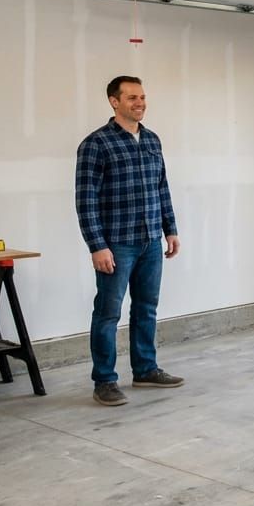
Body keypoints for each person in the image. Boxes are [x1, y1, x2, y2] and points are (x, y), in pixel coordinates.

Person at [75, 76, 185, 406]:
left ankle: (146, 369)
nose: (140, 103)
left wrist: (171, 229)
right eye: (132, 97)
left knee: (146, 309)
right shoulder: (96, 144)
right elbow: (85, 200)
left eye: (143, 97)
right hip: (117, 243)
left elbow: (161, 187)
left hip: (151, 240)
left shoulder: (152, 140)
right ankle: (104, 381)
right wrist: (97, 245)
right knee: (108, 313)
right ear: (114, 101)